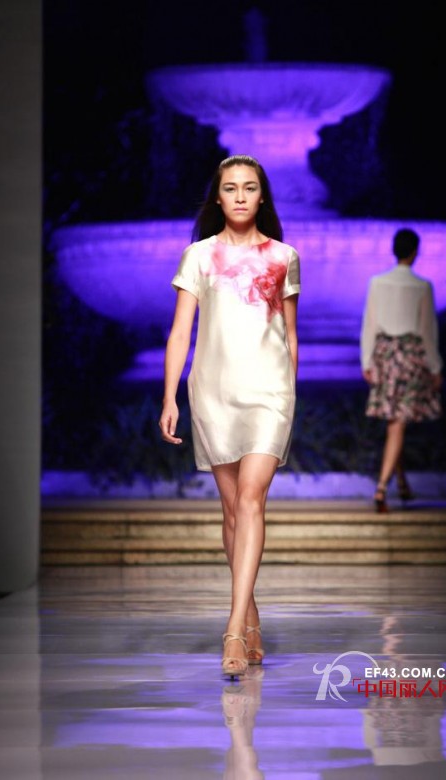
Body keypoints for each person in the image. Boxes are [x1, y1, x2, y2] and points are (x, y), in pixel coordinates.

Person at [159, 155, 300, 677]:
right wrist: (170, 397)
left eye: (250, 187)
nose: (240, 196)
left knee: (251, 499)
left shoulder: (284, 256)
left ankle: (235, 627)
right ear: (217, 197)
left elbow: (289, 335)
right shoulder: (198, 255)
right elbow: (180, 332)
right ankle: (252, 614)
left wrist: (290, 393)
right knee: (233, 512)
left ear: (262, 196)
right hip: (213, 390)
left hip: (269, 390)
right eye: (231, 188)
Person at [360, 228, 443, 512]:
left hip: (384, 356)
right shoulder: (422, 286)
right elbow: (427, 331)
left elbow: (369, 325)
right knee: (398, 423)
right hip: (409, 358)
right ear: (415, 251)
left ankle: (402, 483)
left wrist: (367, 361)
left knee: (395, 424)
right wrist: (435, 367)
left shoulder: (377, 283)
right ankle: (382, 489)